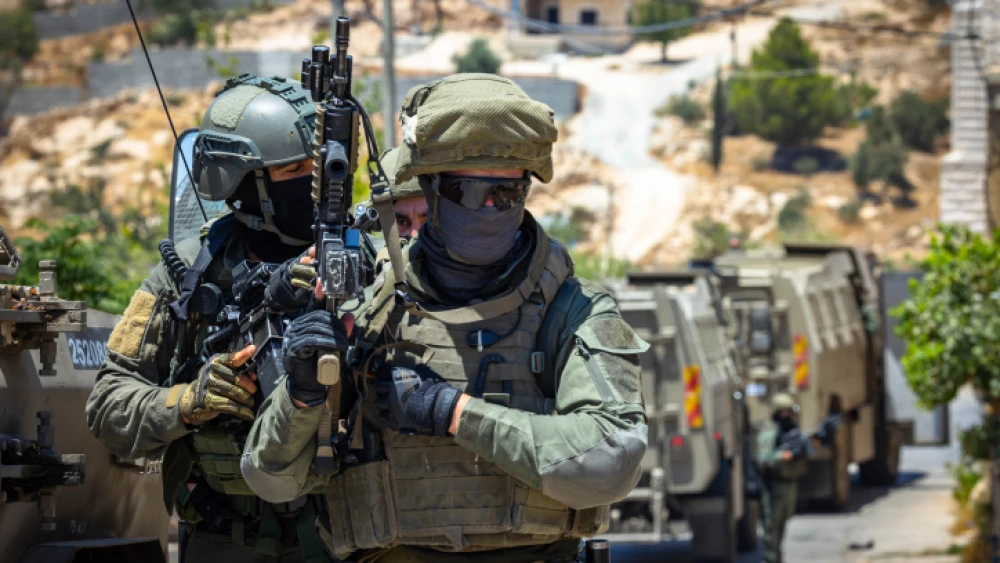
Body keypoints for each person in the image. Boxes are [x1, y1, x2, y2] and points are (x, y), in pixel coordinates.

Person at [241, 74, 649, 563]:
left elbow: (612, 462)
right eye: (466, 192)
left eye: (507, 195)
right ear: (430, 190)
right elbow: (271, 479)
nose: (489, 210)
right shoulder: (365, 310)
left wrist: (452, 413)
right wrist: (303, 396)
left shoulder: (572, 308)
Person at [86, 74, 337, 563]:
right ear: (242, 182)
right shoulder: (185, 275)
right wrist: (188, 402)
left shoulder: (354, 263)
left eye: (318, 167)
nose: (312, 182)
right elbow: (108, 406)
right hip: (223, 542)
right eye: (294, 169)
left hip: (340, 539)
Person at [755, 392, 811, 563]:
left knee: (782, 529)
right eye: (783, 412)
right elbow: (763, 458)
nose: (786, 416)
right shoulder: (770, 432)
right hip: (774, 488)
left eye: (789, 411)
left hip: (789, 487)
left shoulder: (793, 432)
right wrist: (783, 456)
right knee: (771, 532)